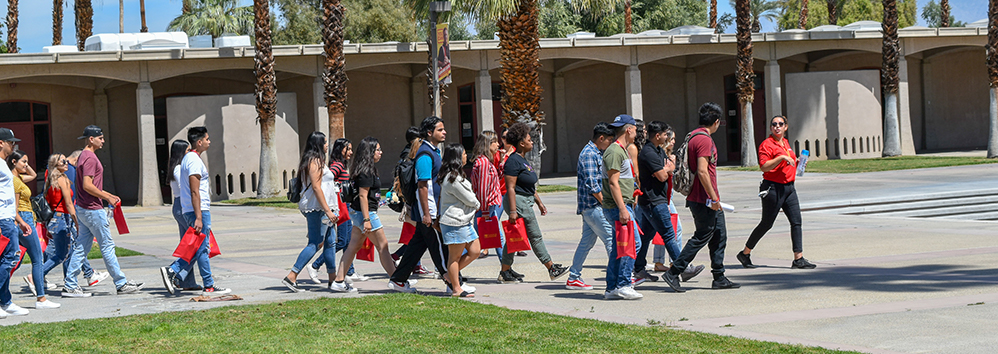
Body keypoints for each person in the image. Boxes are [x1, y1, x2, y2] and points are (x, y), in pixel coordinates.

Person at [661, 103, 740, 293]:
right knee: (702, 235)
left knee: (719, 234)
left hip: (703, 198)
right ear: (716, 122)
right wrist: (713, 199)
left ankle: (719, 276)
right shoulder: (704, 140)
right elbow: (703, 172)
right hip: (704, 198)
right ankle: (674, 272)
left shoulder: (693, 136)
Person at [63, 125, 143, 297]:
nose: (103, 141)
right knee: (107, 246)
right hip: (92, 210)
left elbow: (87, 186)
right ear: (91, 139)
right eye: (100, 138)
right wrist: (107, 197)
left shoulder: (83, 155)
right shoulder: (90, 158)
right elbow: (87, 185)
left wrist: (108, 195)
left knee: (81, 247)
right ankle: (121, 283)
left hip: (83, 209)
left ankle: (70, 284)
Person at [737, 115, 816, 270]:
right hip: (773, 188)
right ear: (770, 128)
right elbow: (764, 166)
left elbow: (788, 161)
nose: (777, 126)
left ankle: (798, 259)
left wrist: (798, 163)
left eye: (780, 124)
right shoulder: (767, 145)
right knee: (766, 223)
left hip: (789, 188)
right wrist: (781, 157)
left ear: (786, 127)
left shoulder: (785, 143)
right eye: (774, 124)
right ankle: (745, 253)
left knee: (796, 221)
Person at [161, 127, 230, 296]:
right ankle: (205, 283)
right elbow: (194, 190)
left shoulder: (189, 158)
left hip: (192, 209)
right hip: (197, 210)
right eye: (207, 139)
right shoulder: (193, 160)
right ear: (199, 142)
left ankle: (187, 276)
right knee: (202, 248)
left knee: (199, 248)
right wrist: (199, 216)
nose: (209, 142)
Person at [634, 122, 704, 283]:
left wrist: (667, 168)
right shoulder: (648, 153)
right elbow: (663, 175)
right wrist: (666, 169)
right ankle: (684, 269)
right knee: (669, 235)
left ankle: (638, 268)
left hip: (656, 200)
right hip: (653, 201)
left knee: (646, 236)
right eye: (666, 134)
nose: (668, 137)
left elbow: (671, 166)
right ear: (657, 135)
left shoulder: (658, 150)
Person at [498, 122, 568, 283]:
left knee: (513, 237)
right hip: (518, 202)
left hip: (526, 201)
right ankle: (552, 268)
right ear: (521, 143)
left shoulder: (522, 160)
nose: (532, 142)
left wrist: (539, 202)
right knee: (535, 236)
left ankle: (505, 271)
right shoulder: (513, 161)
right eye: (530, 140)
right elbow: (510, 188)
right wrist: (513, 211)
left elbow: (529, 184)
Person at [390, 116, 450, 293]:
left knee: (416, 246)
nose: (444, 132)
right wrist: (427, 213)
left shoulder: (433, 151)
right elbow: (423, 186)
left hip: (429, 210)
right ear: (430, 133)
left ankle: (398, 280)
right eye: (440, 130)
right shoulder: (425, 155)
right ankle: (453, 282)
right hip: (428, 211)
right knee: (440, 247)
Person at [331, 137, 400, 292]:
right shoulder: (366, 172)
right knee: (383, 247)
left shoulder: (364, 169)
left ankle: (339, 281)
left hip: (359, 213)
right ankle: (397, 280)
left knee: (352, 247)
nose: (381, 152)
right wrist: (367, 219)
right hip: (365, 214)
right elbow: (363, 196)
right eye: (377, 150)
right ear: (370, 152)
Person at [281, 132, 339, 292]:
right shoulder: (314, 162)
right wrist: (328, 211)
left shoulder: (319, 161)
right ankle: (291, 276)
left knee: (330, 243)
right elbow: (316, 187)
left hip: (324, 208)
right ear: (318, 144)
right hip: (317, 209)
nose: (327, 145)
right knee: (315, 243)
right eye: (325, 143)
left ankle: (333, 279)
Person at [306, 138, 368, 284]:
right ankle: (315, 265)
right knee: (342, 240)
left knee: (347, 241)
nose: (351, 152)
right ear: (341, 149)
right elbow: (327, 179)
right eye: (349, 149)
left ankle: (350, 271)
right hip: (340, 207)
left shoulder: (340, 165)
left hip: (344, 206)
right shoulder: (337, 166)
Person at [7, 151, 60, 309]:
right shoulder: (15, 182)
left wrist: (23, 163)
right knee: (37, 260)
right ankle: (41, 299)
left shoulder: (17, 178)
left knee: (13, 260)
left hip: (24, 220)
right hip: (24, 220)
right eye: (23, 162)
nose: (26, 165)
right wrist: (23, 223)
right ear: (14, 162)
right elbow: (14, 208)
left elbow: (32, 174)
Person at [565, 123, 615, 290]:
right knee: (611, 240)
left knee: (586, 243)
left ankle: (574, 276)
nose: (610, 143)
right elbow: (593, 186)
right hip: (594, 207)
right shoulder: (589, 154)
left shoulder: (595, 153)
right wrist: (606, 204)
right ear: (601, 138)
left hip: (591, 208)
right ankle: (618, 278)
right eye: (609, 140)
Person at [600, 115, 643, 300]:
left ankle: (612, 287)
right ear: (629, 129)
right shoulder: (615, 151)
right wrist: (623, 209)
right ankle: (624, 284)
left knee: (620, 247)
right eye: (635, 128)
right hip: (618, 207)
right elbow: (613, 183)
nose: (638, 131)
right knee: (632, 244)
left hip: (623, 205)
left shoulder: (621, 150)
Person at [390, 126, 434, 277]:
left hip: (411, 200)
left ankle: (412, 265)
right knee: (420, 236)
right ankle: (399, 261)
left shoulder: (407, 154)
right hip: (414, 201)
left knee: (417, 235)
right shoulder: (413, 155)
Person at [439, 143, 481, 297]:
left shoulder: (457, 175)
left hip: (464, 222)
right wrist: (477, 204)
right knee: (454, 257)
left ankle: (450, 275)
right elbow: (470, 199)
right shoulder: (453, 178)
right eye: (463, 153)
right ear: (456, 157)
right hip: (454, 222)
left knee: (475, 250)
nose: (466, 156)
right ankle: (456, 288)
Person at [62, 150, 108, 288]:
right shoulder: (70, 170)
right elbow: (72, 197)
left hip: (75, 211)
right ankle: (118, 281)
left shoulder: (63, 171)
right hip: (75, 211)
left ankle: (74, 280)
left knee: (76, 247)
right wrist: (75, 218)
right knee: (64, 251)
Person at [164, 140, 201, 292]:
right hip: (184, 205)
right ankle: (174, 271)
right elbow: (185, 188)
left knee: (188, 245)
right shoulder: (179, 169)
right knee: (196, 244)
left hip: (178, 205)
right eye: (187, 150)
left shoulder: (175, 167)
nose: (189, 153)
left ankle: (187, 282)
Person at [0, 128, 29, 317]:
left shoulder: (3, 164)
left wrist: (17, 219)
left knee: (8, 259)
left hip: (9, 217)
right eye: (10, 142)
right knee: (10, 258)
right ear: (1, 143)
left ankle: (5, 301)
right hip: (2, 219)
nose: (13, 145)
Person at [38, 154, 78, 290]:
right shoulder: (62, 180)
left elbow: (48, 202)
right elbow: (69, 204)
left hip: (55, 219)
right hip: (63, 219)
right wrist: (77, 222)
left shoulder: (52, 179)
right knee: (61, 255)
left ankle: (70, 283)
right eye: (63, 161)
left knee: (68, 252)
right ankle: (37, 276)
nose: (67, 163)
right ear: (56, 165)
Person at [470, 131, 503, 259]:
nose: (498, 144)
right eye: (494, 142)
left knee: (475, 238)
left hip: (487, 206)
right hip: (487, 207)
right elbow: (483, 189)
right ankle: (506, 268)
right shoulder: (483, 163)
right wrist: (484, 210)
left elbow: (493, 181)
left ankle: (506, 268)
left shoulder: (486, 161)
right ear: (486, 144)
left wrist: (500, 164)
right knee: (495, 237)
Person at [497, 129, 527, 258]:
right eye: (503, 137)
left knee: (517, 221)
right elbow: (496, 172)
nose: (505, 139)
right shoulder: (498, 154)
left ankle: (519, 246)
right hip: (500, 192)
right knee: (494, 220)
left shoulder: (516, 153)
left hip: (512, 192)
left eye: (507, 137)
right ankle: (487, 247)